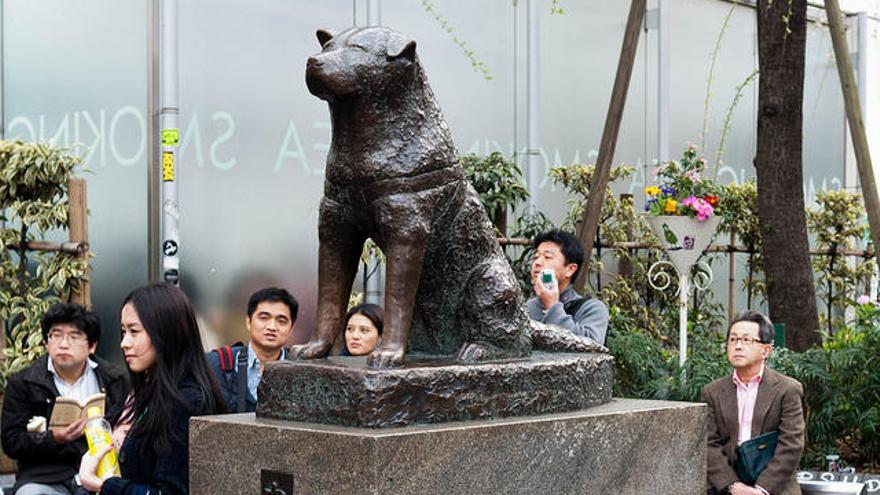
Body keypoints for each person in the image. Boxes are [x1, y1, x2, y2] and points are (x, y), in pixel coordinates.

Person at [78, 283, 225, 494]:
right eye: (123, 331)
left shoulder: (189, 401)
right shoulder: (142, 389)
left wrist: (105, 487)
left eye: (134, 331)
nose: (124, 343)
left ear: (167, 332)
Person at [1, 303, 129, 495]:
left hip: (100, 472)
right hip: (44, 477)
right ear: (46, 342)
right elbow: (11, 442)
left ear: (92, 345)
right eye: (56, 335)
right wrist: (53, 438)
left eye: (74, 336)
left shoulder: (115, 380)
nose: (63, 344)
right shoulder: (24, 382)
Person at [702, 311, 805, 495]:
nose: (738, 346)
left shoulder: (787, 389)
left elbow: (791, 445)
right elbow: (709, 443)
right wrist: (733, 486)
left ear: (766, 350)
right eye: (733, 340)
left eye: (746, 340)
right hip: (728, 485)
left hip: (774, 486)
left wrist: (762, 489)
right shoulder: (712, 392)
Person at [206, 287, 298, 412]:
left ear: (291, 329)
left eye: (281, 321)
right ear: (248, 322)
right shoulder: (218, 363)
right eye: (264, 318)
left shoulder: (300, 369)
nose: (272, 327)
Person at [526, 229, 609, 344]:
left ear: (570, 269)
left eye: (547, 257)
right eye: (535, 257)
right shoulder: (528, 308)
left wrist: (552, 307)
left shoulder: (592, 309)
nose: (537, 263)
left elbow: (592, 348)